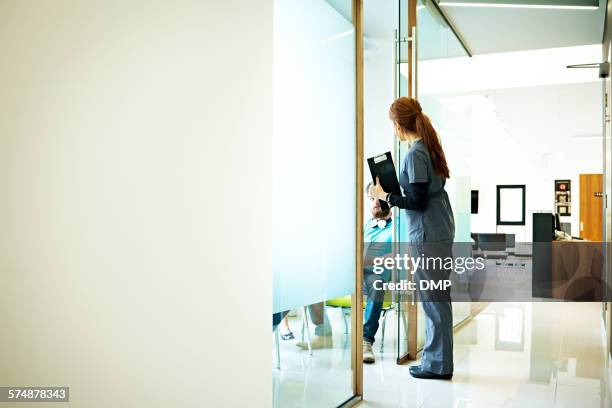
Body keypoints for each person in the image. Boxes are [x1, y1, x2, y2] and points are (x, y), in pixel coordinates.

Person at [370, 96, 455, 380]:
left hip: (427, 232)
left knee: (433, 298)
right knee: (438, 296)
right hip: (438, 227)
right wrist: (392, 199)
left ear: (397, 124)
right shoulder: (427, 147)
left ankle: (437, 365)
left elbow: (416, 201)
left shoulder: (416, 153)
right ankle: (438, 360)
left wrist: (385, 196)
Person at [362, 182, 393, 363]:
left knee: (377, 284)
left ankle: (366, 340)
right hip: (357, 273)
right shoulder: (365, 225)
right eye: (371, 198)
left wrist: (368, 261)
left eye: (378, 198)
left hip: (376, 275)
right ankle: (321, 329)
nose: (375, 202)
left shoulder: (397, 227)